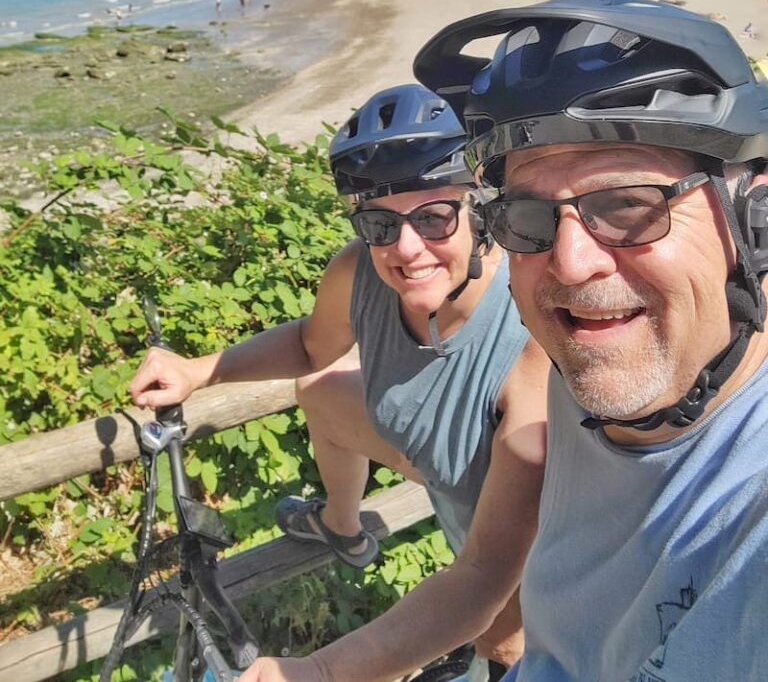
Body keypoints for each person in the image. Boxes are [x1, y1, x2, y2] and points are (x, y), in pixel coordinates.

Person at [129, 84, 548, 682]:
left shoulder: (530, 333)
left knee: (502, 650)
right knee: (324, 391)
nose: (406, 249)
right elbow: (310, 347)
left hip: (525, 542)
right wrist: (198, 371)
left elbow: (482, 582)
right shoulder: (361, 272)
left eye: (433, 217)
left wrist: (320, 672)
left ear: (481, 210)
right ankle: (342, 528)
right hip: (451, 472)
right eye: (379, 223)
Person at [413, 0, 768, 681]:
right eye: (527, 217)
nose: (571, 264)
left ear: (754, 222)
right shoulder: (587, 358)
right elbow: (487, 569)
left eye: (629, 205)